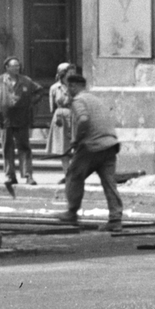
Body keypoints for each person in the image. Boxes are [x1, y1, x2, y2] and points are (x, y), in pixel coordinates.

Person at [56, 65, 123, 228]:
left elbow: (84, 120)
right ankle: (115, 219)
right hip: (110, 144)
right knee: (109, 182)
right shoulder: (95, 99)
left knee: (73, 175)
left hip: (92, 146)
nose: (68, 91)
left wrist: (77, 139)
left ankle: (71, 212)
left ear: (73, 86)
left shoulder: (78, 100)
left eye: (69, 87)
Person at [0, 57, 41, 193]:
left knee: (24, 147)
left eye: (18, 66)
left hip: (22, 119)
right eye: (14, 66)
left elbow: (39, 91)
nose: (17, 68)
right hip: (5, 119)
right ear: (7, 67)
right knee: (7, 147)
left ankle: (28, 175)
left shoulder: (26, 80)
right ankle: (10, 175)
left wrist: (30, 103)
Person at [45, 66, 72, 159]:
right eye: (69, 73)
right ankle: (67, 171)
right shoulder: (54, 88)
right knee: (62, 147)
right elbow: (52, 107)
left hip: (74, 115)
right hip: (61, 117)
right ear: (62, 74)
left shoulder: (76, 86)